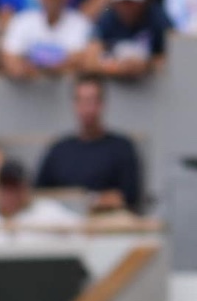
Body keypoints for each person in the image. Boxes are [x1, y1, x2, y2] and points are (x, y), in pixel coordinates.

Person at [33, 77, 141, 213]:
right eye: (82, 101)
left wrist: (93, 202)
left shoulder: (122, 148)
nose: (87, 108)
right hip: (64, 226)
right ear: (74, 104)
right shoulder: (58, 150)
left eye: (92, 101)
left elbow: (129, 198)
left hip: (108, 226)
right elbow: (39, 195)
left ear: (102, 104)